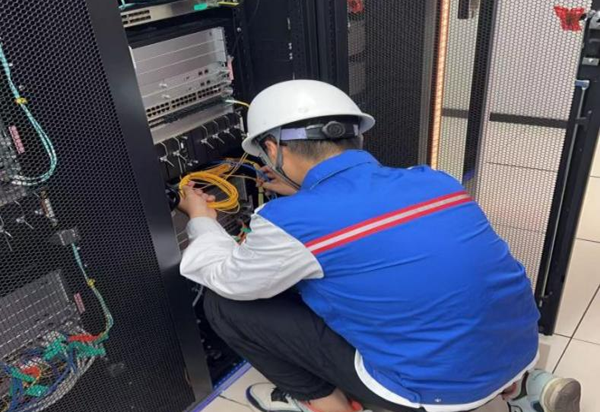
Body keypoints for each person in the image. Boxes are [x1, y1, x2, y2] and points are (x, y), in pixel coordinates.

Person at [177, 80, 581, 412]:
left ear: (271, 149)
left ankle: (327, 406)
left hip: (430, 392)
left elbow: (229, 279)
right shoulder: (434, 181)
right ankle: (521, 388)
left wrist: (201, 218)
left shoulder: (292, 220)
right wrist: (304, 192)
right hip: (520, 347)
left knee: (225, 305)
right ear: (358, 136)